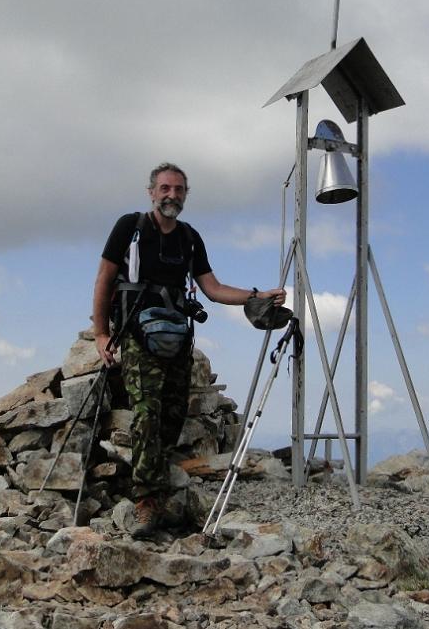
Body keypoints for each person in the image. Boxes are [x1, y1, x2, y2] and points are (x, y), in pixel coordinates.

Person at [92, 162, 285, 537]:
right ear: (151, 192)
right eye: (165, 188)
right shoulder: (130, 228)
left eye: (179, 190)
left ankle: (154, 484)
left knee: (173, 415)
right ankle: (147, 502)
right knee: (147, 413)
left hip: (178, 339)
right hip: (137, 336)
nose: (171, 195)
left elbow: (211, 288)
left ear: (185, 195)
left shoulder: (189, 237)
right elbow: (104, 278)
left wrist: (257, 296)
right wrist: (101, 333)